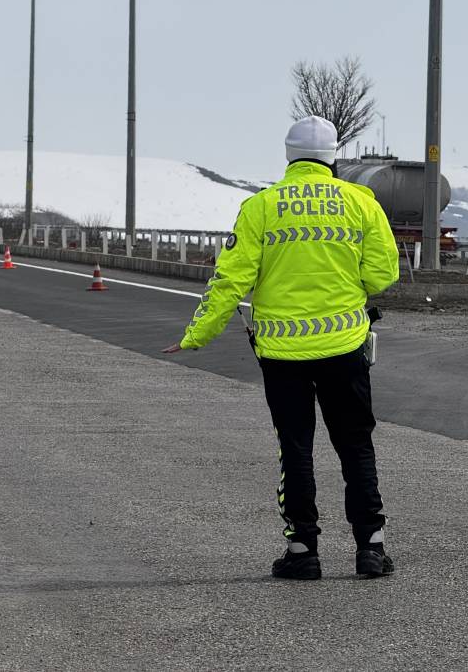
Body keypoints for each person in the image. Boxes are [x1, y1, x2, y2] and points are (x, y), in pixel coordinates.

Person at [164, 116, 400, 580]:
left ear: (288, 154)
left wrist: (197, 336)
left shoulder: (261, 207)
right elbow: (382, 275)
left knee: (295, 448)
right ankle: (371, 548)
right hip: (345, 346)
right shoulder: (362, 203)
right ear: (334, 155)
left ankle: (302, 551)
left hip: (282, 354)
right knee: (355, 445)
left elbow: (230, 281)